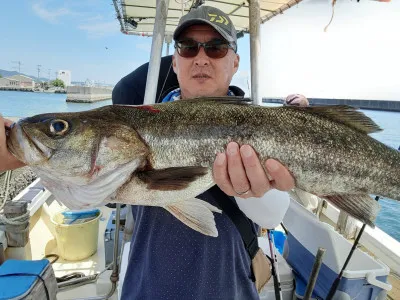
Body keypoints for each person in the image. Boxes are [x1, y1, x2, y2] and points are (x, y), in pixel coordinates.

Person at [0, 6, 295, 299]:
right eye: (188, 48)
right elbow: (82, 194)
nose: (201, 58)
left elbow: (272, 216)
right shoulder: (134, 119)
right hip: (144, 286)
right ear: (176, 62)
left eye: (216, 47)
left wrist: (252, 190)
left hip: (229, 287)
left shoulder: (258, 125)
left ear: (235, 62)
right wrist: (17, 152)